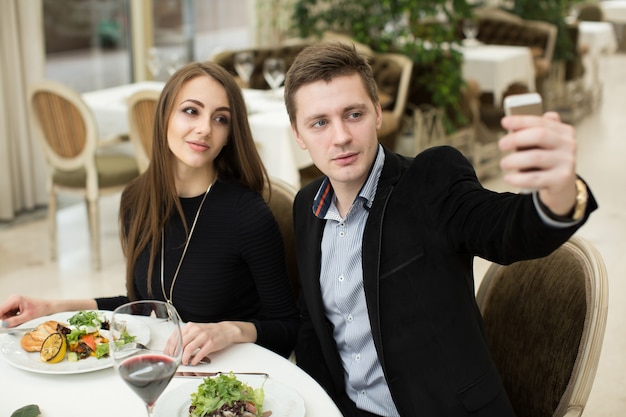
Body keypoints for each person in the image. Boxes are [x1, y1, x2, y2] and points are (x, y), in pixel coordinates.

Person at [283, 42, 597, 417]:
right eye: (319, 123)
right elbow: (313, 323)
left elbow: (510, 228)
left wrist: (558, 192)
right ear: (298, 136)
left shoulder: (431, 181)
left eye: (353, 114)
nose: (340, 137)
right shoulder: (306, 206)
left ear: (379, 113)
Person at [0, 61, 299, 364]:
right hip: (162, 366)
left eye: (220, 119)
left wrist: (229, 331)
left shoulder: (248, 215)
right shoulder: (136, 198)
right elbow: (143, 306)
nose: (204, 129)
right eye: (191, 111)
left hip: (227, 378)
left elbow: (287, 329)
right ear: (164, 115)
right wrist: (51, 307)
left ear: (230, 134)